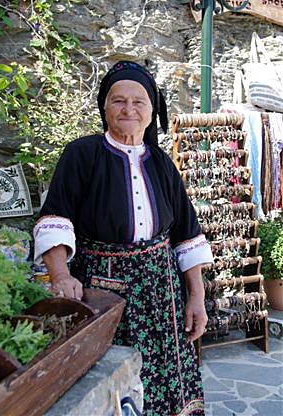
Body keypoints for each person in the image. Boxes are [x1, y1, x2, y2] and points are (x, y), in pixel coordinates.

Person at [34, 61, 213, 416]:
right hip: (104, 293)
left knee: (167, 377)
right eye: (118, 101)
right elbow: (55, 218)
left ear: (152, 112)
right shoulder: (82, 154)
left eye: (139, 102)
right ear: (105, 108)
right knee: (110, 379)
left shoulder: (162, 163)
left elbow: (186, 235)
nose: (128, 109)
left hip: (163, 297)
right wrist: (60, 274)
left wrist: (197, 297)